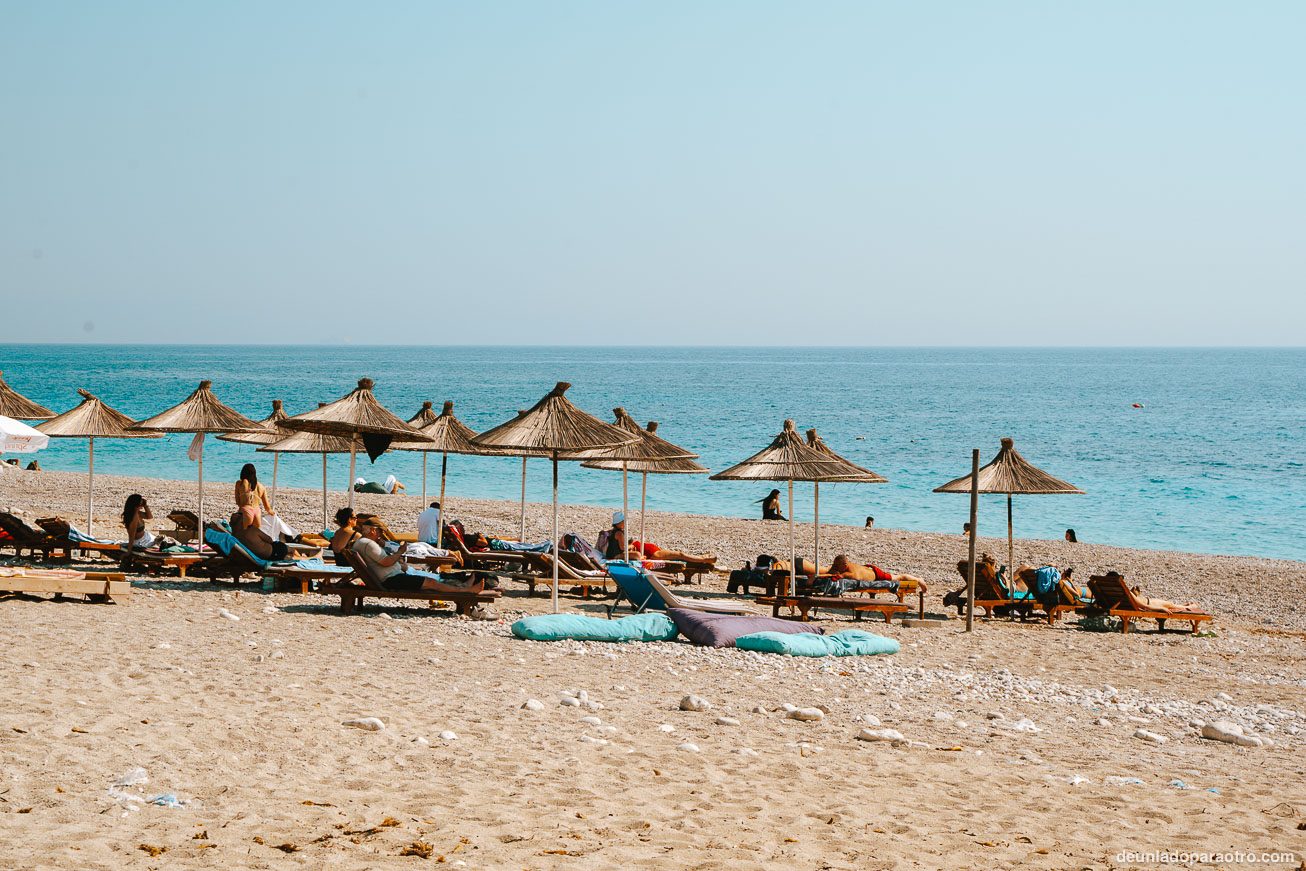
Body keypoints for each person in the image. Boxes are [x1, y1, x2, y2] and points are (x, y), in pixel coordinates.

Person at [350, 519, 481, 593]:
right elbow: (386, 562)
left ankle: (464, 587)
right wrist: (400, 551)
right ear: (373, 530)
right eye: (379, 531)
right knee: (431, 583)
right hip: (390, 580)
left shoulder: (362, 543)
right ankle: (466, 591)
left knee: (429, 580)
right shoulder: (368, 544)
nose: (380, 535)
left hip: (390, 577)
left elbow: (383, 561)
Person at [235, 463, 296, 541]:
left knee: (242, 535)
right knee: (253, 536)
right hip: (257, 512)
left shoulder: (240, 483)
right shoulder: (261, 487)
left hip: (246, 510)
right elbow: (268, 508)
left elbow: (238, 502)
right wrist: (274, 515)